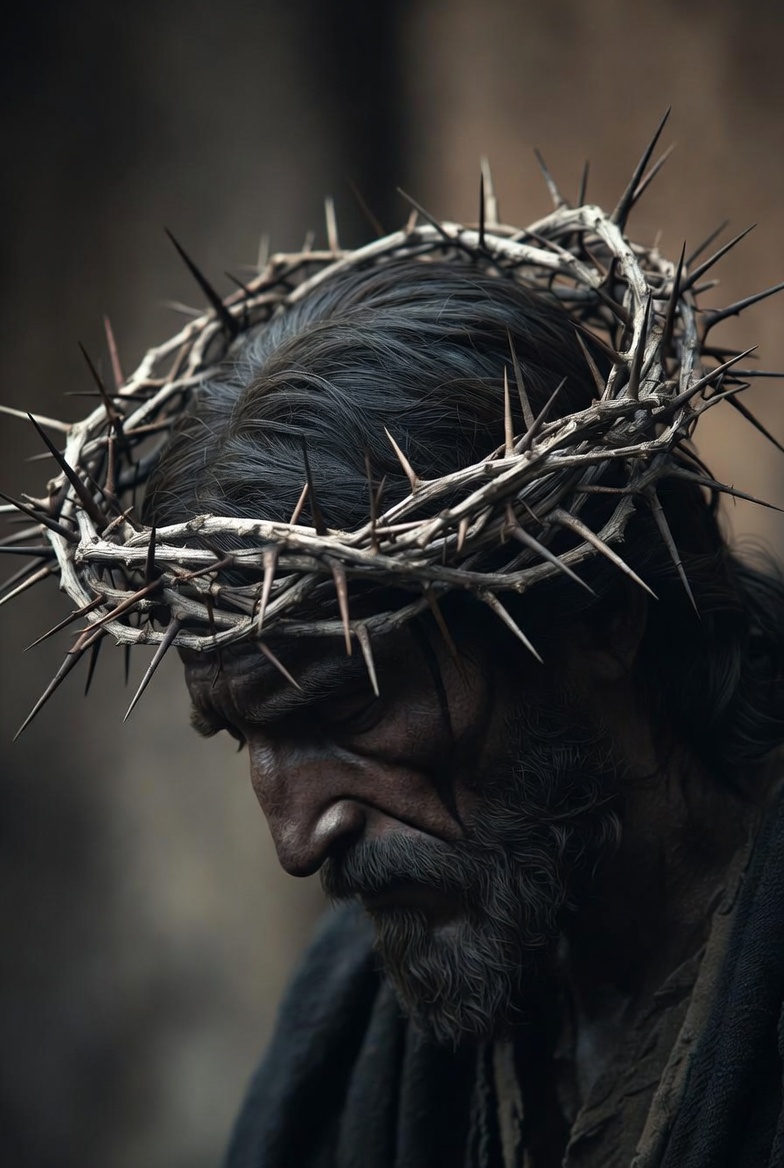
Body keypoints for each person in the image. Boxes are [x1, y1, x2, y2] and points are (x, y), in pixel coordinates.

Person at [7, 154, 784, 1166]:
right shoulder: (352, 1030)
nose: (295, 837)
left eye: (341, 711)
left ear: (599, 616)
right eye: (245, 733)